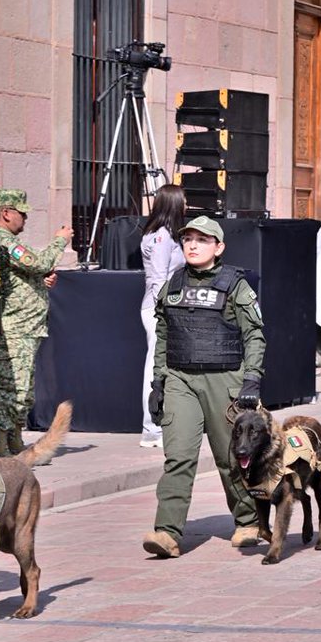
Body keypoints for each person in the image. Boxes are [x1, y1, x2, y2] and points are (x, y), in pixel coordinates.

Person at [143, 215, 267, 559]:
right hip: (181, 379)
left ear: (219, 247)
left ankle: (248, 521)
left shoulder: (236, 285)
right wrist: (158, 382)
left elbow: (254, 335)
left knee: (232, 458)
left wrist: (251, 380)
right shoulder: (173, 284)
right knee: (178, 457)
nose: (192, 245)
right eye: (187, 240)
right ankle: (167, 532)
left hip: (224, 380)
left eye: (201, 240)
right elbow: (164, 337)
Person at [0, 189, 69, 457]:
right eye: (22, 213)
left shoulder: (8, 240)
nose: (25, 219)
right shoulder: (3, 240)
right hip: (14, 327)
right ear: (7, 213)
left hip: (26, 326)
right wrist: (59, 241)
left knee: (23, 390)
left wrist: (41, 281)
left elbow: (31, 271)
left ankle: (14, 438)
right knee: (11, 388)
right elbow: (39, 262)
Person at [139, 184, 188, 448]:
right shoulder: (161, 237)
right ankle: (151, 428)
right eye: (183, 201)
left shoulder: (167, 235)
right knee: (155, 368)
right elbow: (159, 278)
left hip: (165, 307)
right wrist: (165, 311)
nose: (186, 206)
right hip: (159, 309)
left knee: (164, 368)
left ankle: (161, 423)